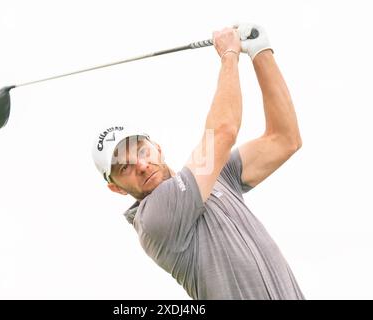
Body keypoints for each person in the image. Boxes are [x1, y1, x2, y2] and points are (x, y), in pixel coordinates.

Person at [91, 23, 304, 300]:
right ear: (116, 187)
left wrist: (260, 51)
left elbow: (285, 139)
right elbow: (223, 132)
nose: (141, 165)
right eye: (124, 167)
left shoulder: (217, 175)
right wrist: (229, 54)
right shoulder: (155, 217)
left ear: (157, 147)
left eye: (141, 151)